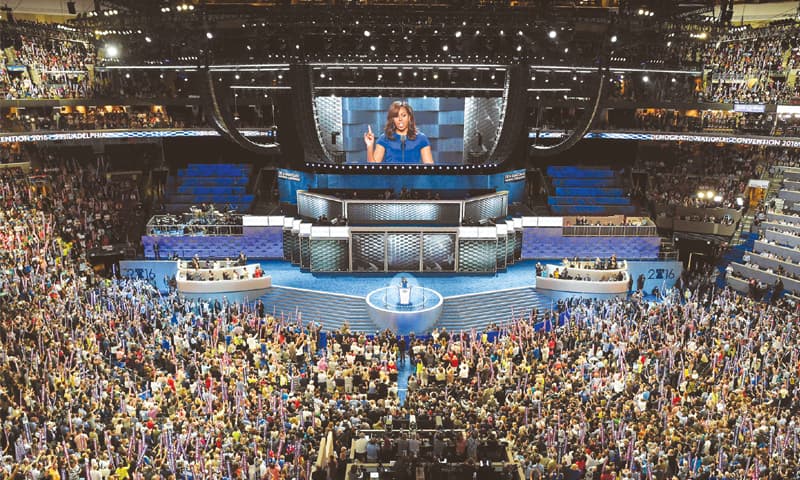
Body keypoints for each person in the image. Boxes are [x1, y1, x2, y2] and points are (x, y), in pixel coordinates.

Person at [363, 101, 434, 164]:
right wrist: (370, 146)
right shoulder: (384, 138)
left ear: (409, 117)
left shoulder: (421, 138)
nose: (400, 119)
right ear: (392, 119)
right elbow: (373, 169)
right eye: (396, 116)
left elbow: (430, 170)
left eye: (404, 115)